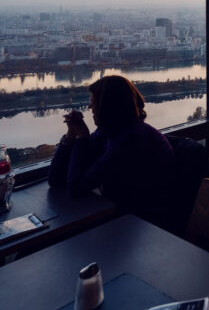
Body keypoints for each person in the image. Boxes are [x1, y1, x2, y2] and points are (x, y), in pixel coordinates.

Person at [49, 75, 175, 227]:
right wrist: (70, 136)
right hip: (125, 221)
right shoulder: (111, 132)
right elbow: (55, 179)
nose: (90, 108)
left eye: (93, 102)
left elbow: (75, 188)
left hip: (143, 227)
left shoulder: (131, 142)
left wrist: (82, 137)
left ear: (107, 107)